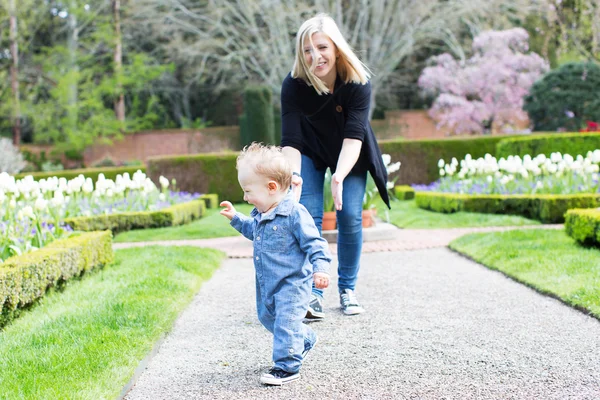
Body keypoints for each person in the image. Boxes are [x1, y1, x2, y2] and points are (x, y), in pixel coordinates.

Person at [280, 13, 391, 319]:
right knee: (309, 218)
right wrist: (295, 176)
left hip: (349, 155)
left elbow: (355, 137)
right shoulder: (294, 85)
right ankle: (313, 293)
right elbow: (290, 140)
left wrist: (339, 176)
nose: (316, 56)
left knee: (351, 216)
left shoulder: (357, 83)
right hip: (310, 152)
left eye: (321, 47)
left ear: (336, 48)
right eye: (307, 50)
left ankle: (347, 289)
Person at [220, 142, 332, 386]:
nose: (244, 197)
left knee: (285, 323)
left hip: (292, 285)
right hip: (268, 284)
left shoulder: (295, 213)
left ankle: (287, 366)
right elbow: (253, 231)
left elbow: (316, 244)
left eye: (248, 191)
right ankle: (304, 338)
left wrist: (321, 268)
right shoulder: (261, 214)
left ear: (271, 187)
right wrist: (236, 218)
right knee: (267, 317)